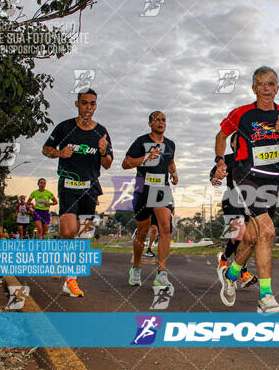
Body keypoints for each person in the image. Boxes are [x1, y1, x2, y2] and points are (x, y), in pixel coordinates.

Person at [214, 66, 279, 313]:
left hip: (272, 180)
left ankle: (231, 275)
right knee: (267, 229)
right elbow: (221, 136)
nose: (267, 88)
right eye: (262, 84)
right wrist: (220, 161)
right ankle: (266, 298)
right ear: (254, 88)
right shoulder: (242, 114)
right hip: (246, 175)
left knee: (254, 237)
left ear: (277, 88)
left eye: (272, 84)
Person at [42, 88, 113, 297]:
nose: (88, 107)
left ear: (95, 106)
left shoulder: (102, 132)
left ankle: (70, 280)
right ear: (77, 104)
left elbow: (108, 164)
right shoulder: (64, 128)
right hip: (68, 185)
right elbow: (46, 149)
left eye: (92, 104)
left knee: (83, 235)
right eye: (84, 103)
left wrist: (102, 152)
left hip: (90, 187)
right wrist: (59, 153)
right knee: (68, 231)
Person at [123, 111, 178, 288]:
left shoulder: (170, 144)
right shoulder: (141, 141)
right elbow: (126, 163)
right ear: (150, 123)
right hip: (142, 186)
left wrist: (174, 173)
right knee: (142, 231)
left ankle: (161, 273)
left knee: (166, 227)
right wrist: (146, 157)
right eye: (156, 120)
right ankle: (136, 268)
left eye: (163, 120)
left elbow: (170, 162)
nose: (160, 122)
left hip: (162, 187)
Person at [209, 132, 257, 289]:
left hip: (248, 202)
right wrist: (214, 178)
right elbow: (214, 171)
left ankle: (224, 257)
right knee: (240, 234)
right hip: (231, 198)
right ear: (233, 144)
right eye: (239, 141)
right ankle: (243, 273)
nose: (243, 143)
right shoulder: (229, 159)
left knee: (241, 238)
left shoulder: (252, 160)